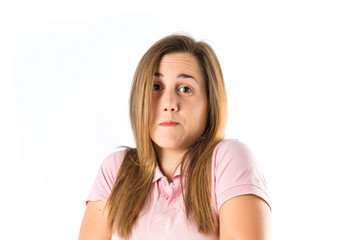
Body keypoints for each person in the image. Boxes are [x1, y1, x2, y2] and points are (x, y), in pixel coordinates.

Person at [79, 34, 271, 240]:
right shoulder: (115, 170)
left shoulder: (228, 160)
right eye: (156, 87)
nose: (169, 103)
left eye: (185, 89)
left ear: (210, 102)